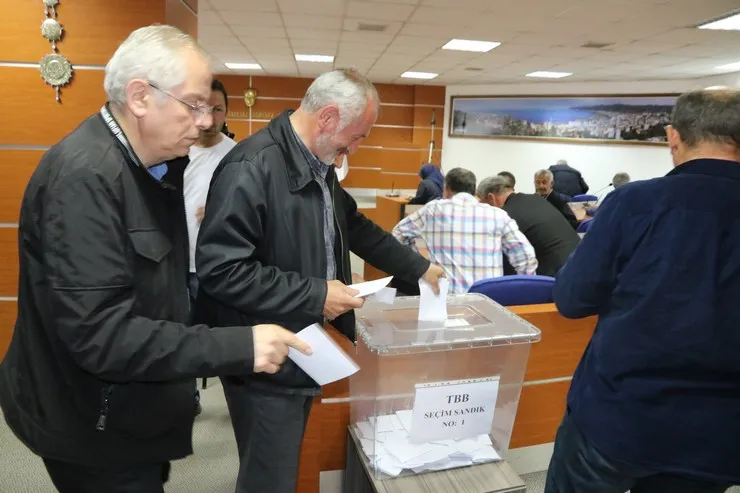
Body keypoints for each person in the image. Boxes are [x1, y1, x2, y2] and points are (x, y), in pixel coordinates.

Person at [0, 25, 310, 493]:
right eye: (193, 105)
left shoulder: (152, 168)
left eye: (208, 107)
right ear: (140, 97)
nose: (206, 122)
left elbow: (159, 294)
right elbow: (102, 336)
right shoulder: (84, 179)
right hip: (91, 426)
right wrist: (239, 346)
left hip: (128, 414)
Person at [193, 68, 445, 493]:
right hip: (264, 353)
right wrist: (315, 293)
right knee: (268, 476)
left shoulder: (319, 164)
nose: (357, 147)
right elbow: (222, 270)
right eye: (359, 134)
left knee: (279, 464)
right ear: (328, 118)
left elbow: (355, 225)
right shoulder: (251, 167)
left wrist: (417, 267)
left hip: (302, 336)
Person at [545, 88, 740, 493]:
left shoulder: (634, 203)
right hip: (718, 433)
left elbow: (572, 299)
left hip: (620, 416)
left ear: (673, 136)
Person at [393, 167, 537, 294]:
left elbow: (398, 234)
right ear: (474, 190)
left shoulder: (432, 210)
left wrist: (421, 264)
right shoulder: (498, 215)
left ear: (446, 189)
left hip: (443, 300)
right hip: (488, 302)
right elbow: (525, 256)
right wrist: (525, 292)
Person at [184, 78, 237, 306]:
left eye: (218, 110)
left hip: (215, 264)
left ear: (226, 113)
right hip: (175, 261)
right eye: (205, 108)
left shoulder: (237, 155)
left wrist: (221, 212)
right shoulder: (176, 148)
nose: (211, 117)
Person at [477, 175, 579, 277]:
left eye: (482, 203)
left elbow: (506, 262)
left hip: (557, 276)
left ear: (491, 197)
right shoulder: (536, 199)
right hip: (578, 262)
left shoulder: (507, 216)